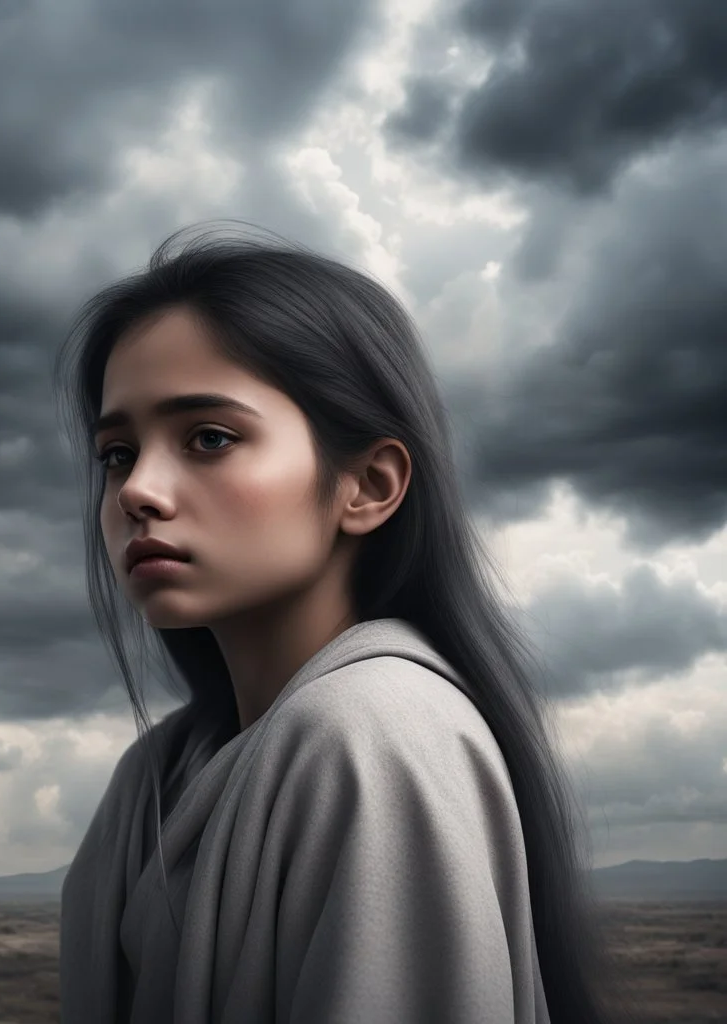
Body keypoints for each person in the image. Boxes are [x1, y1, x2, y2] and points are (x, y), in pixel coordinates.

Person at [51, 221, 639, 1023]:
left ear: (368, 484)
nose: (136, 491)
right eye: (117, 452)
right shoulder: (157, 772)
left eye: (209, 437)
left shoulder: (370, 734)